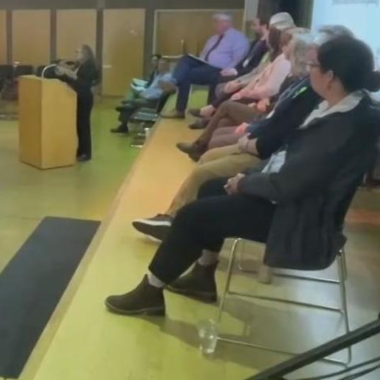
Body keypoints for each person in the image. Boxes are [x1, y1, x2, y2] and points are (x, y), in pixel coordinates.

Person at [105, 35, 380, 317]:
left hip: (300, 220)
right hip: (295, 204)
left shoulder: (342, 127)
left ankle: (150, 292)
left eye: (313, 65)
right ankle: (203, 274)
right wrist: (248, 177)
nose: (308, 70)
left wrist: (245, 182)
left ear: (331, 77)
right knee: (212, 187)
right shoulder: (345, 110)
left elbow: (288, 184)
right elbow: (289, 164)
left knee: (193, 216)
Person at [131, 30, 326, 239]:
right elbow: (274, 117)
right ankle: (176, 215)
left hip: (266, 153)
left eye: (290, 48)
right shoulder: (299, 83)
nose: (285, 51)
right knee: (208, 154)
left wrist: (250, 139)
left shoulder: (308, 91)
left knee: (203, 172)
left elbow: (279, 129)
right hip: (260, 136)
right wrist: (253, 128)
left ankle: (177, 221)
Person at [176, 28, 306, 161]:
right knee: (223, 122)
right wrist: (249, 92)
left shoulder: (286, 65)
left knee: (227, 105)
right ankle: (203, 151)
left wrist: (259, 98)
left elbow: (273, 90)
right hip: (263, 104)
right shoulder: (281, 61)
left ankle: (201, 143)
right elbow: (262, 80)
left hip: (264, 112)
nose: (265, 40)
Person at [166, 13, 250, 117]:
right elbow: (204, 55)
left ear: (226, 23)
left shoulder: (238, 38)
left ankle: (180, 108)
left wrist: (229, 70)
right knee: (186, 59)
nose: (214, 25)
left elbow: (238, 59)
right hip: (205, 65)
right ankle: (174, 82)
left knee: (186, 75)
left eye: (216, 22)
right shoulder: (213, 39)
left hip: (220, 70)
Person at [56, 45, 100, 162]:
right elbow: (74, 80)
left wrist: (72, 75)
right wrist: (63, 75)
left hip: (85, 97)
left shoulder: (89, 65)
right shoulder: (80, 65)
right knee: (79, 125)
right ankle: (80, 150)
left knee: (84, 125)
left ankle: (86, 152)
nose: (77, 55)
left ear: (85, 53)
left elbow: (84, 83)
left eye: (79, 52)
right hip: (77, 96)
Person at [111, 57, 176, 134]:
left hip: (153, 102)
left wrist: (145, 95)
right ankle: (128, 105)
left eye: (162, 65)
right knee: (132, 95)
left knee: (132, 102)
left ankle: (124, 121)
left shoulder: (167, 78)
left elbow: (158, 94)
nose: (159, 66)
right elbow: (152, 89)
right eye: (159, 64)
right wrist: (144, 93)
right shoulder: (159, 75)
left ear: (167, 66)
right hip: (148, 96)